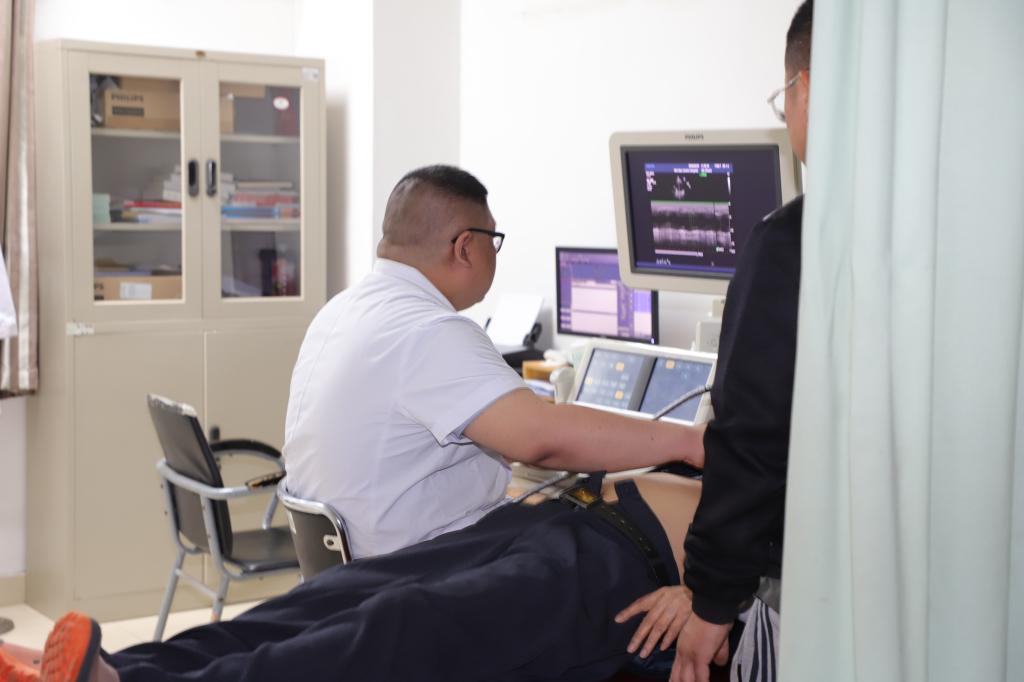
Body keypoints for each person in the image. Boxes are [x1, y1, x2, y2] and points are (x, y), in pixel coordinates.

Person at [284, 164, 705, 559]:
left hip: (356, 565)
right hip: (421, 568)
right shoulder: (428, 329)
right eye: (494, 240)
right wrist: (689, 443)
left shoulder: (341, 311)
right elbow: (542, 441)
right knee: (640, 515)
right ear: (466, 246)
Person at [0, 472, 704, 682]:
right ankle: (122, 670)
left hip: (620, 570)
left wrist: (710, 601)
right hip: (555, 519)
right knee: (333, 595)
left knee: (404, 623)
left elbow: (769, 608)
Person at [648, 4, 812, 681]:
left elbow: (753, 442)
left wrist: (710, 598)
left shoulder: (792, 243)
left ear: (806, 89)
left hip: (810, 585)